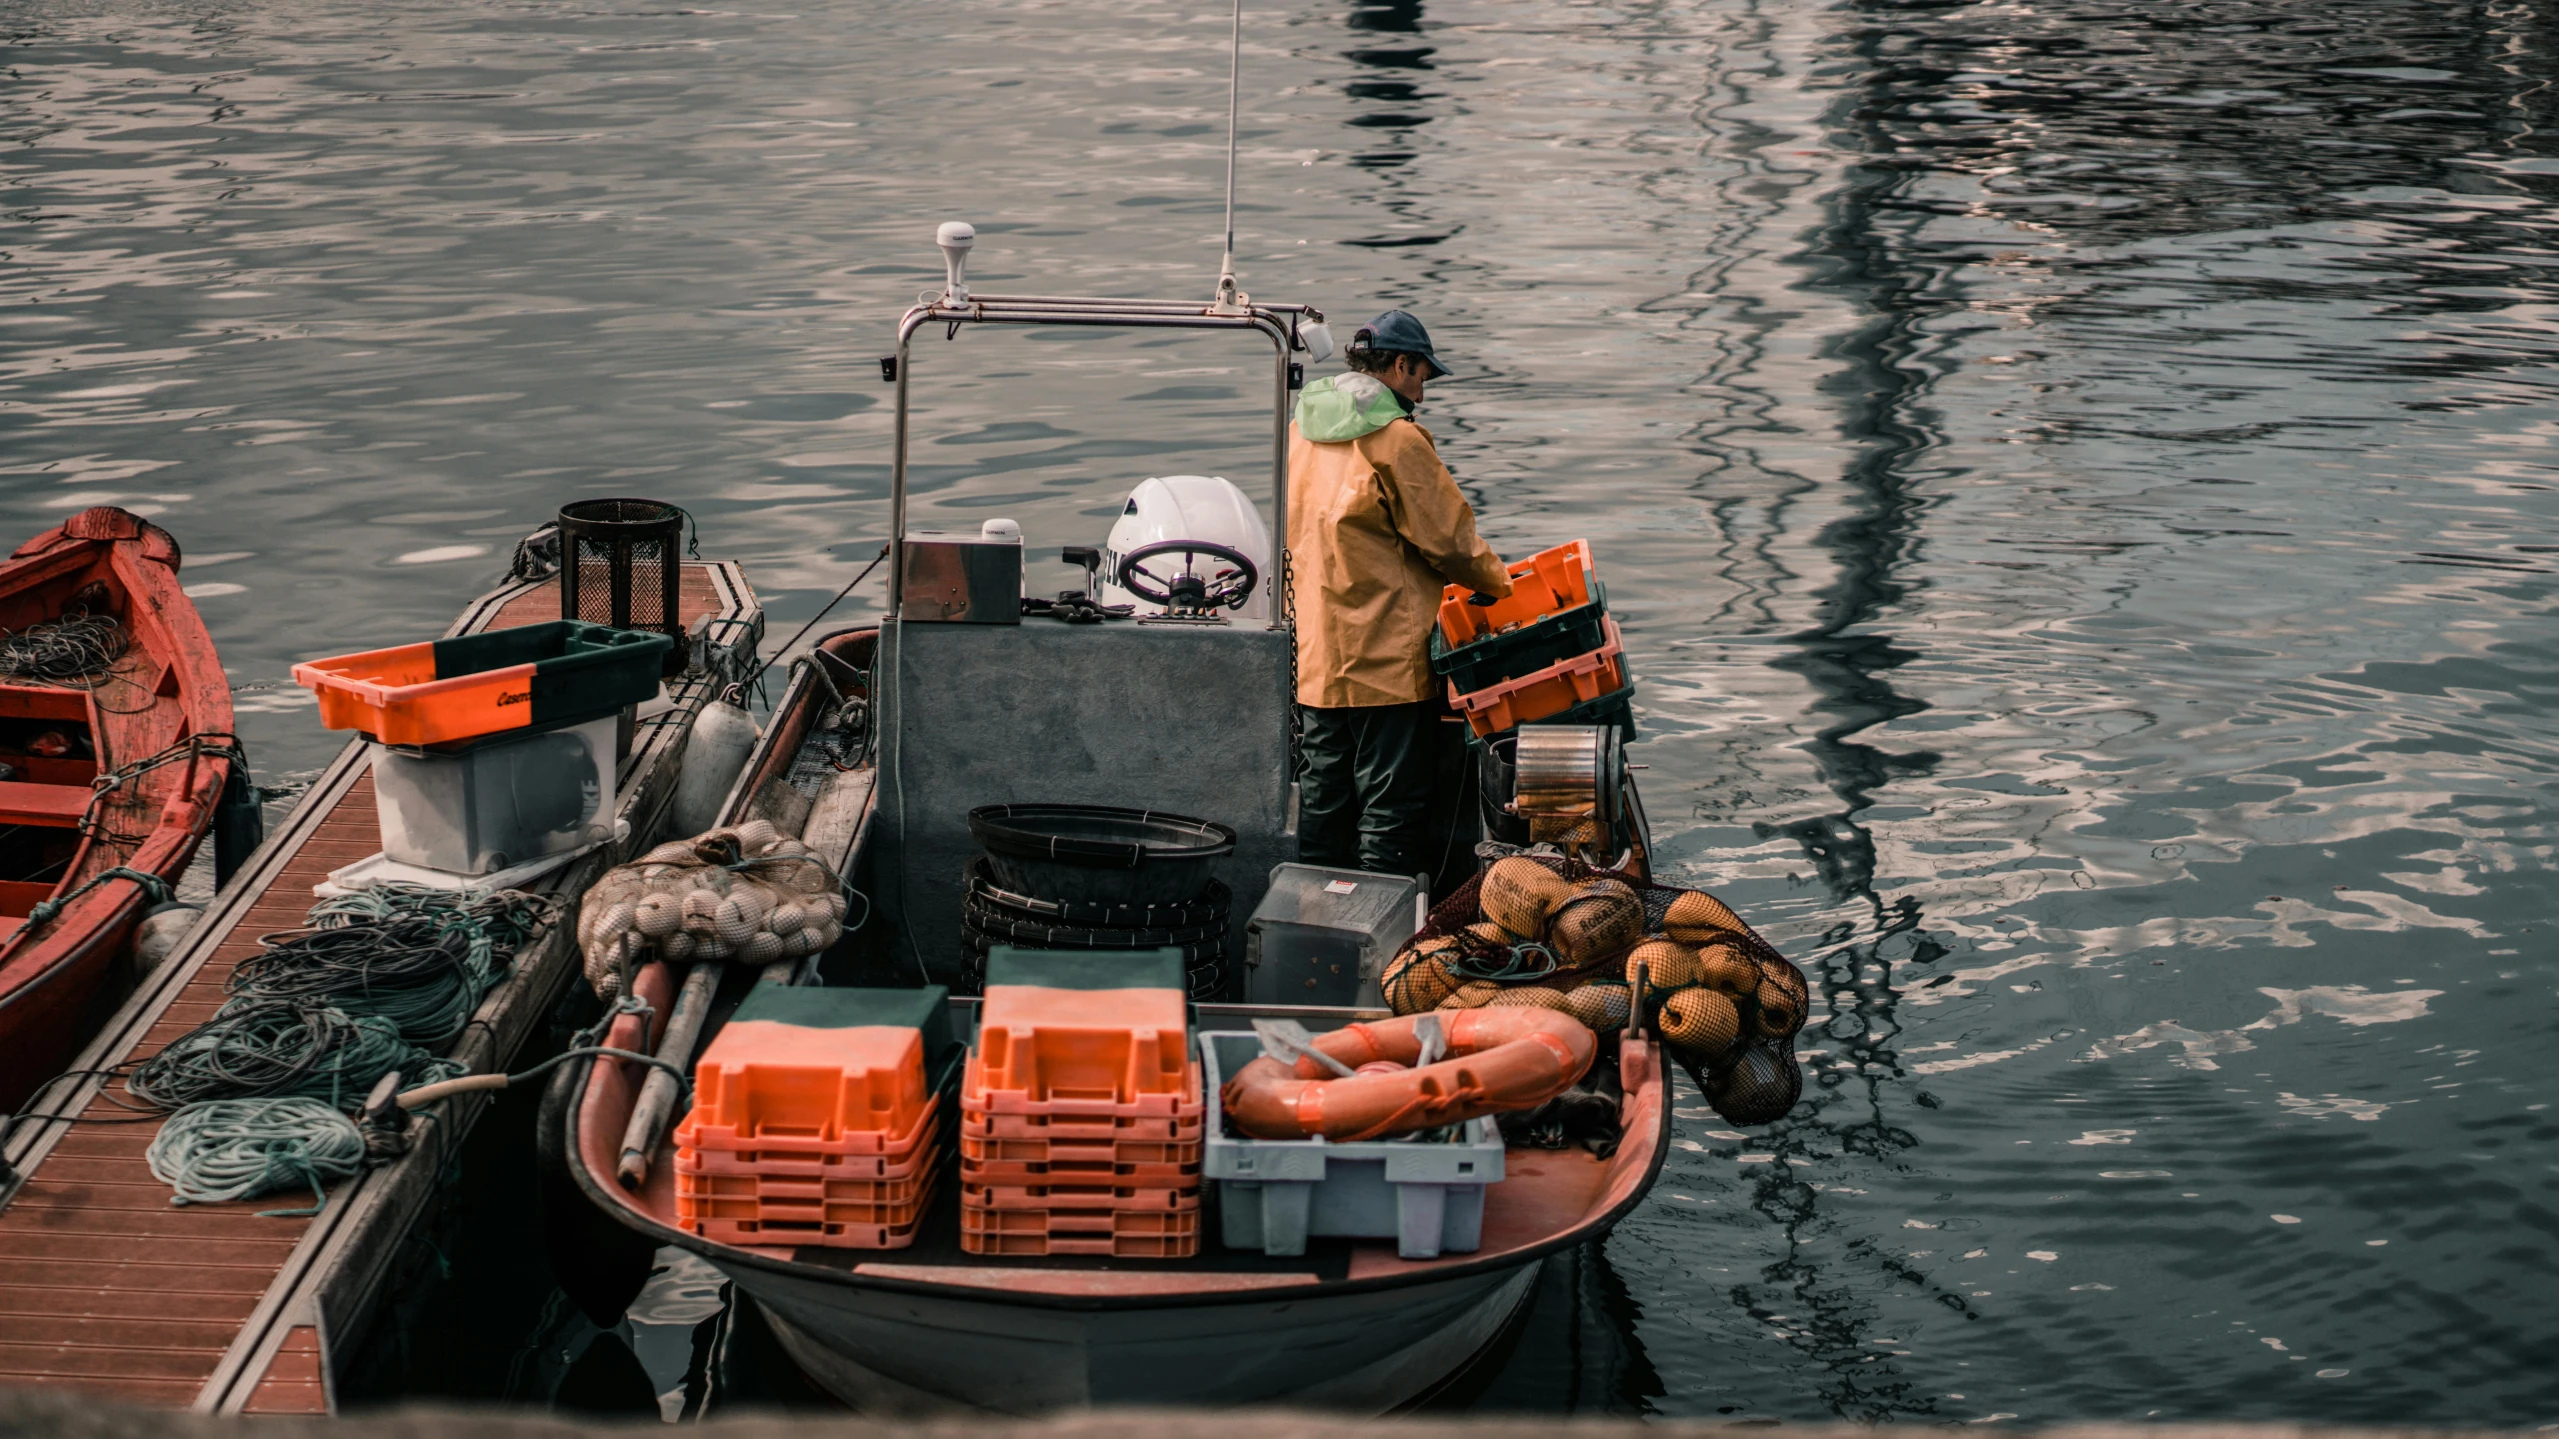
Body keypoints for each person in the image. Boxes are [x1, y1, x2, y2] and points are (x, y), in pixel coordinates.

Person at [1287, 310, 1513, 875]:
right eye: (1420, 377)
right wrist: (1500, 585)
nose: (1421, 392)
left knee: (1324, 799)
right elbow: (1451, 540)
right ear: (1399, 365)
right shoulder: (1395, 439)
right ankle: (1378, 943)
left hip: (1318, 657)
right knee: (1389, 809)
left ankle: (1313, 920)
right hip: (1385, 660)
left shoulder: (1299, 431)